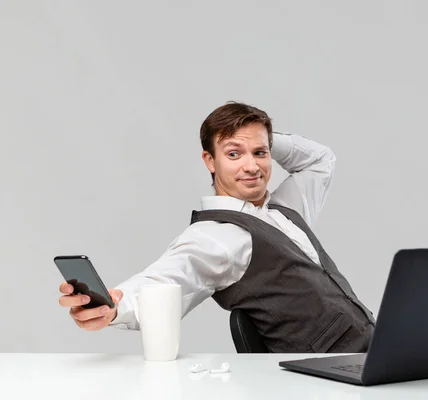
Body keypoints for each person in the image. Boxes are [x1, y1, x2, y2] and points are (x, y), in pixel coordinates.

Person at [58, 102, 375, 352]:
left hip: (371, 347)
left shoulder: (285, 208)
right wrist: (114, 306)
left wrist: (261, 139)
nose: (251, 166)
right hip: (326, 377)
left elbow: (320, 160)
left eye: (259, 153)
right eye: (233, 154)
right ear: (210, 161)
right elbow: (164, 279)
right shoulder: (217, 236)